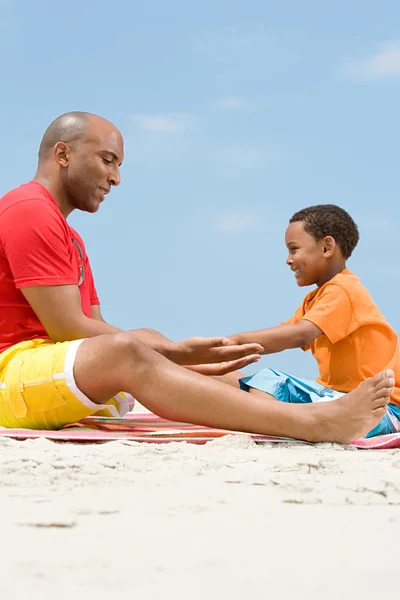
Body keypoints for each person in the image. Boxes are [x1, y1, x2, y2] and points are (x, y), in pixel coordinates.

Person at [0, 112, 394, 444]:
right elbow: (68, 327)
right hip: (12, 372)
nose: (115, 177)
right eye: (108, 160)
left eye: (118, 165)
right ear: (63, 154)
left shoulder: (71, 237)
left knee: (158, 344)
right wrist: (176, 353)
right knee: (129, 351)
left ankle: (307, 412)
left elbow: (94, 325)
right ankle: (312, 422)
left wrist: (181, 356)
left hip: (45, 367)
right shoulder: (29, 210)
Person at [220, 204, 400, 438]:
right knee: (236, 380)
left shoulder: (343, 290)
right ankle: (278, 419)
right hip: (336, 399)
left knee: (272, 381)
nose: (288, 260)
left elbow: (299, 335)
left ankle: (271, 423)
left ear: (326, 247)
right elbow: (283, 335)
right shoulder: (316, 299)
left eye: (294, 249)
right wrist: (228, 352)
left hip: (381, 411)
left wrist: (237, 340)